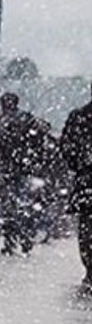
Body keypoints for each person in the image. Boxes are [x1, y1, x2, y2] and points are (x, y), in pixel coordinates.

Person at [0, 92, 45, 255]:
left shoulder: (2, 122)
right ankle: (26, 238)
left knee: (10, 207)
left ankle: (10, 241)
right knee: (24, 206)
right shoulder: (27, 119)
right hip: (25, 170)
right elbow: (40, 138)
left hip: (10, 171)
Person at [59, 86, 92, 290]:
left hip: (87, 181)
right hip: (87, 180)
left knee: (87, 229)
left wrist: (80, 164)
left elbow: (67, 148)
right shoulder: (79, 117)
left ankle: (90, 269)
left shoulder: (79, 117)